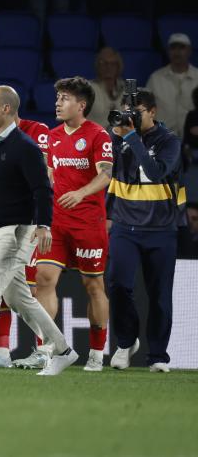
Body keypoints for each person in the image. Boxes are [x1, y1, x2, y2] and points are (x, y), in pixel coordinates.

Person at [0, 86, 77, 375]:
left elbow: (43, 190)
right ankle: (63, 350)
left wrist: (44, 225)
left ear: (6, 109)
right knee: (20, 299)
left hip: (18, 231)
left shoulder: (25, 146)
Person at [30, 77, 113, 372]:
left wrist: (80, 193)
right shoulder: (52, 137)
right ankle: (47, 348)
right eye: (57, 98)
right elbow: (49, 176)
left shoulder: (98, 135)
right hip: (57, 222)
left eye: (64, 98)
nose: (57, 103)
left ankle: (96, 352)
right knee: (43, 279)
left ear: (82, 105)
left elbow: (106, 175)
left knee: (93, 285)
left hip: (89, 223)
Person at [107, 88, 184, 373]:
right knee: (116, 284)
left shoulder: (170, 142)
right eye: (128, 112)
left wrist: (130, 137)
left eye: (136, 113)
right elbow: (106, 172)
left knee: (160, 295)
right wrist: (117, 137)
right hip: (125, 225)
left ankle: (158, 356)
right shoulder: (118, 137)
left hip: (161, 229)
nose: (131, 118)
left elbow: (154, 172)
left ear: (153, 112)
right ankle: (126, 342)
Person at [146, 34, 198, 139]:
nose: (177, 52)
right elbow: (145, 110)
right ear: (168, 51)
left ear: (189, 51)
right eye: (173, 48)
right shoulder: (156, 78)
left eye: (181, 48)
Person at [90, 47, 126, 125]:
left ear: (118, 66)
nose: (108, 67)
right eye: (103, 63)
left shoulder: (128, 88)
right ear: (97, 65)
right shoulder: (87, 89)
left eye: (113, 63)